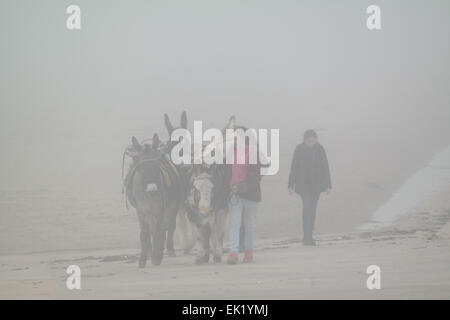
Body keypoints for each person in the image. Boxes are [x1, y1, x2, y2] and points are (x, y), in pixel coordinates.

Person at [288, 129, 331, 246]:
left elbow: (325, 167)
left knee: (312, 211)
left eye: (313, 141)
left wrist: (328, 185)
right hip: (303, 185)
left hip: (316, 185)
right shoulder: (299, 149)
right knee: (307, 208)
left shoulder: (320, 149)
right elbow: (294, 167)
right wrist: (290, 185)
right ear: (305, 141)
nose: (311, 143)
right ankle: (305, 236)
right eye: (309, 141)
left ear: (316, 140)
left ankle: (309, 237)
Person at [226, 132, 262, 264]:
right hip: (235, 195)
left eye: (236, 139)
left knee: (249, 225)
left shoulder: (253, 153)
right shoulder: (231, 152)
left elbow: (257, 175)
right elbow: (227, 172)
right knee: (234, 224)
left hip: (250, 195)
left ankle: (248, 252)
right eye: (233, 139)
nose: (234, 141)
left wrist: (240, 187)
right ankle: (233, 253)